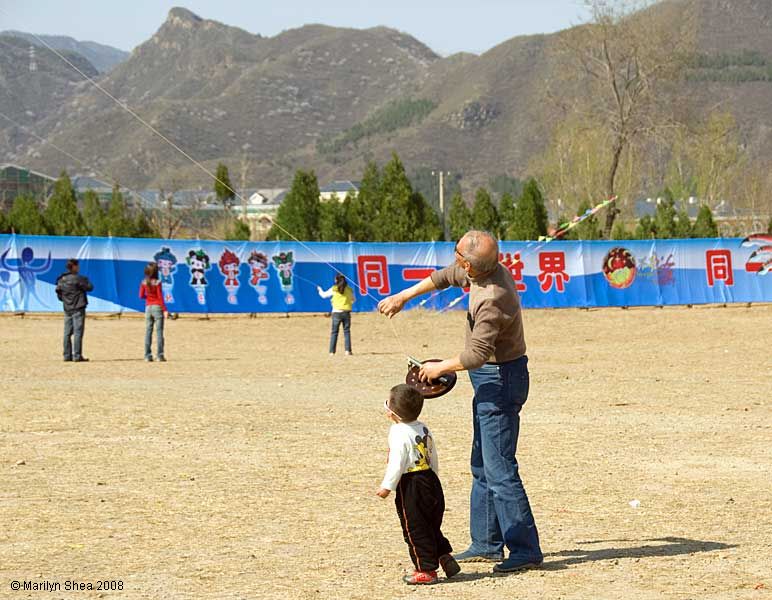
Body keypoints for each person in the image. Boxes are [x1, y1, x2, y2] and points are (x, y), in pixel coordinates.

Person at [377, 230, 543, 574]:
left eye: (458, 257)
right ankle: (485, 542)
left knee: (500, 469)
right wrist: (403, 297)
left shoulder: (492, 297)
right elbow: (441, 279)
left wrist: (437, 367)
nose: (454, 261)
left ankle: (526, 549)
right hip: (491, 378)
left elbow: (477, 354)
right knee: (482, 464)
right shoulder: (480, 272)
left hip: (501, 379)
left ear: (471, 264)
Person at [376, 384, 460, 585]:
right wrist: (435, 477)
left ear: (391, 412)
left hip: (411, 483)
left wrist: (388, 486)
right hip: (430, 480)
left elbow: (397, 461)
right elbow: (432, 454)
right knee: (430, 523)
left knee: (415, 528)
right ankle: (444, 556)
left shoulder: (397, 431)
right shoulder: (423, 427)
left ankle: (426, 570)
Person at [55, 258, 94, 363]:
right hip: (78, 308)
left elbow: (59, 294)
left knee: (67, 333)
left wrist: (66, 301)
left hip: (67, 308)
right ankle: (77, 355)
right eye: (78, 266)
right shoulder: (79, 279)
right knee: (78, 332)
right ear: (75, 267)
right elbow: (90, 287)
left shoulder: (61, 279)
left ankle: (67, 355)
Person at [317, 273, 355, 355]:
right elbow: (353, 300)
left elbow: (324, 295)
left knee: (334, 332)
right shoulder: (349, 289)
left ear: (336, 280)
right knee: (347, 332)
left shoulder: (334, 289)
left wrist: (319, 290)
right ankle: (348, 351)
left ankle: (332, 352)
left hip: (336, 313)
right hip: (346, 312)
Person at [139, 262, 168, 362]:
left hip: (148, 308)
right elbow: (160, 297)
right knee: (159, 332)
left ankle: (147, 355)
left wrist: (149, 297)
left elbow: (141, 296)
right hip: (157, 307)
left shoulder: (143, 282)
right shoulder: (157, 282)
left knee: (148, 331)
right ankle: (160, 355)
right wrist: (165, 310)